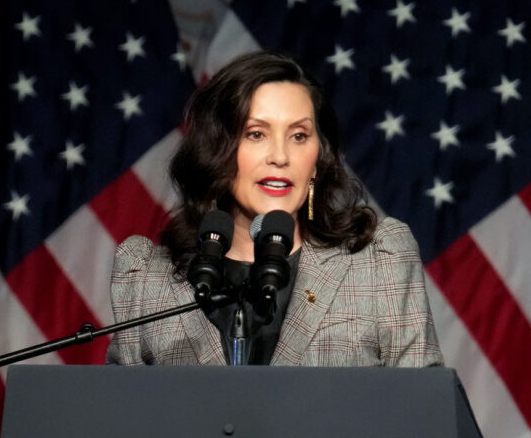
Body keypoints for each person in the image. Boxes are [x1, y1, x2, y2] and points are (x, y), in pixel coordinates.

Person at [106, 51, 443, 367]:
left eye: (298, 136)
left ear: (317, 159)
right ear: (217, 150)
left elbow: (425, 413)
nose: (280, 156)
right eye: (256, 134)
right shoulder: (146, 277)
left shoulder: (378, 261)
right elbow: (120, 419)